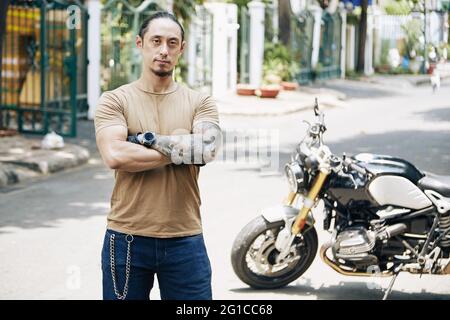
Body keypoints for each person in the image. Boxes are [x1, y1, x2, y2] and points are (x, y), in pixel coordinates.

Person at [94, 11, 222, 300]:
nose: (164, 50)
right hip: (126, 238)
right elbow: (114, 155)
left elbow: (209, 148)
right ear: (140, 44)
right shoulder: (115, 99)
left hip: (184, 238)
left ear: (182, 49)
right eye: (156, 41)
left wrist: (144, 141)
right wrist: (184, 148)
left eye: (172, 43)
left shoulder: (200, 101)